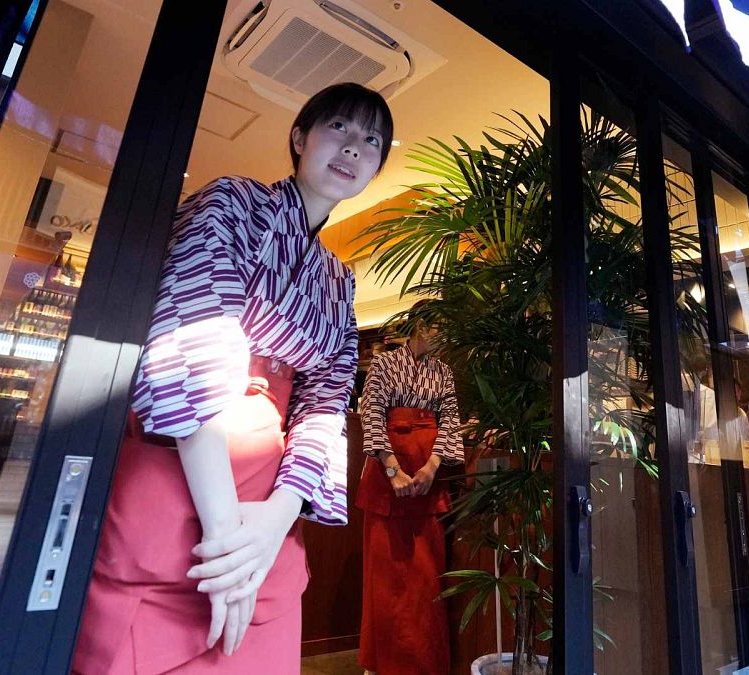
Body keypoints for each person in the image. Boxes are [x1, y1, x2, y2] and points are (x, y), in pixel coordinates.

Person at [71, 82, 393, 674]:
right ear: (299, 137)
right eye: (340, 128)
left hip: (267, 507)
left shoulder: (338, 278)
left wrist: (274, 523)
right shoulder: (229, 203)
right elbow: (189, 343)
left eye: (371, 141)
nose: (354, 148)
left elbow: (327, 397)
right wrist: (225, 541)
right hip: (186, 470)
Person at [355, 302, 463, 675]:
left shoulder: (444, 373)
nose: (440, 335)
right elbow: (372, 413)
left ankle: (423, 663)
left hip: (428, 478)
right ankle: (380, 663)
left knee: (425, 574)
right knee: (385, 576)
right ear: (419, 326)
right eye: (436, 328)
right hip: (390, 477)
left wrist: (434, 466)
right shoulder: (385, 364)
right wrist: (391, 469)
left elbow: (450, 419)